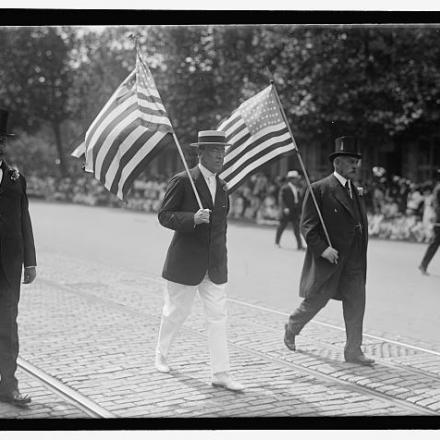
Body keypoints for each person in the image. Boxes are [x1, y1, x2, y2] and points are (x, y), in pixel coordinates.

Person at [154, 130, 244, 392]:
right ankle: (161, 354)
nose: (220, 155)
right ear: (200, 153)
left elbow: (221, 230)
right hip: (185, 263)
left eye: (223, 151)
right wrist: (191, 219)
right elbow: (164, 215)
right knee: (175, 313)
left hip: (215, 266)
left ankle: (221, 373)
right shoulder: (183, 181)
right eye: (214, 151)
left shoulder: (224, 186)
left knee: (218, 318)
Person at [284, 136, 374, 366]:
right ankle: (292, 327)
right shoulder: (320, 189)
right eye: (350, 161)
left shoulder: (356, 190)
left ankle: (353, 350)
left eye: (356, 161)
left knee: (356, 303)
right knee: (317, 300)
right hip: (331, 259)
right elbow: (308, 226)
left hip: (354, 261)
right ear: (337, 163)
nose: (355, 165)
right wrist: (323, 250)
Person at [0, 109, 37, 407]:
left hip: (8, 269)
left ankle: (8, 386)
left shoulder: (15, 178)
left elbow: (24, 219)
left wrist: (30, 261)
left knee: (7, 329)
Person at [275, 170, 304, 250]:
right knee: (281, 227)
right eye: (295, 179)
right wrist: (284, 208)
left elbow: (299, 199)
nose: (297, 180)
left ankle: (299, 245)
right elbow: (281, 199)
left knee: (297, 229)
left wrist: (300, 210)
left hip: (295, 210)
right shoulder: (285, 188)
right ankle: (277, 242)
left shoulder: (297, 188)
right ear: (291, 179)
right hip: (287, 210)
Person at [419, 169, 440, 275]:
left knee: (435, 244)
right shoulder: (439, 189)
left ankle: (423, 264)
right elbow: (437, 206)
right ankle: (423, 264)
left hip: (438, 219)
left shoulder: (437, 188)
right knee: (435, 244)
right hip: (439, 220)